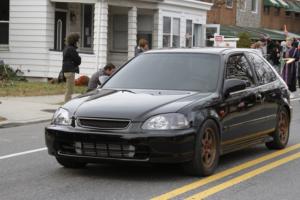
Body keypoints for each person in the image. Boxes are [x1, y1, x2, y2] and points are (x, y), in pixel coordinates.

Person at [62, 33, 81, 103]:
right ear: (74, 40)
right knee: (69, 90)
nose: (78, 41)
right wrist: (79, 58)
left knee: (69, 89)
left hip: (67, 70)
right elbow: (78, 60)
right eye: (78, 40)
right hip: (70, 71)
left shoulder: (66, 48)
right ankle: (66, 104)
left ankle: (67, 102)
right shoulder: (71, 49)